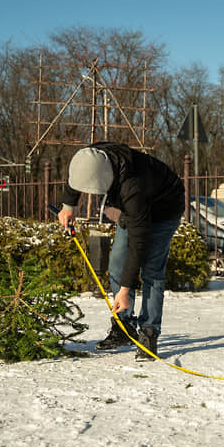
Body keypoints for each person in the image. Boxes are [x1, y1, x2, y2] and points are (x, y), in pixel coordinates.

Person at [58, 142, 184, 359]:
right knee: (116, 263)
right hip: (135, 209)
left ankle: (148, 333)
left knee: (152, 271)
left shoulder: (132, 187)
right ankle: (123, 327)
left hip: (165, 208)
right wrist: (68, 206)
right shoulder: (90, 157)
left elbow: (138, 244)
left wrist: (125, 289)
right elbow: (77, 178)